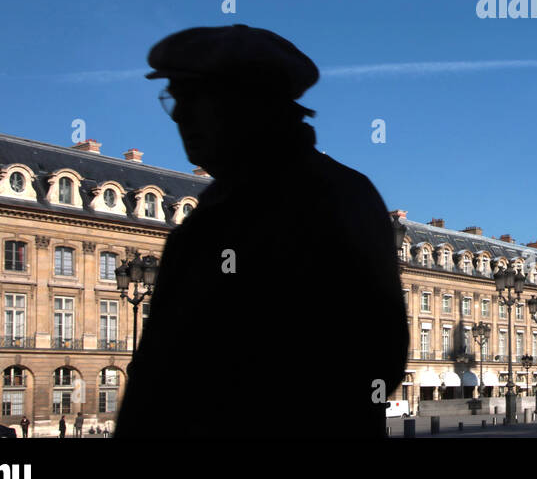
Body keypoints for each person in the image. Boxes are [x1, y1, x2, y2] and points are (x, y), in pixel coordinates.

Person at [115, 25, 408, 439]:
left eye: (193, 97)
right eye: (174, 99)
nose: (179, 115)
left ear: (248, 103)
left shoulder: (321, 200)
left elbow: (369, 355)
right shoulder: (225, 206)